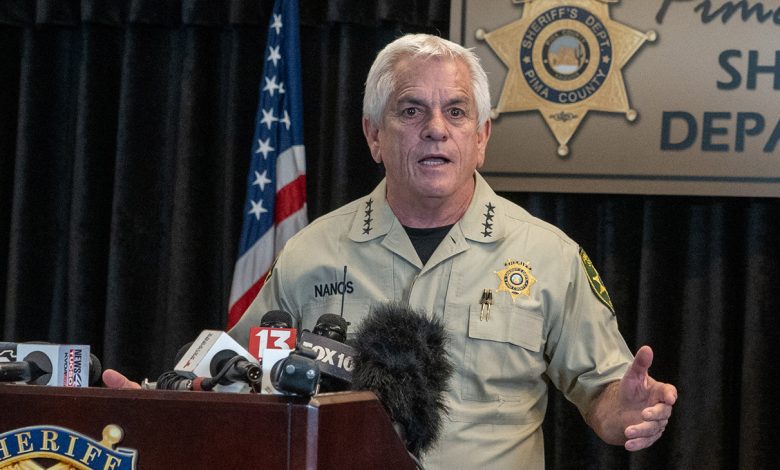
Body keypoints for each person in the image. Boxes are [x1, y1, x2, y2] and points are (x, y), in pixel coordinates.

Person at [105, 33, 676, 469]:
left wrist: (623, 413)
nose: (436, 129)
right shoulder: (312, 253)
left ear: (481, 138)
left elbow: (603, 396)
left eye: (456, 111)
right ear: (374, 136)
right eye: (411, 111)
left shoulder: (549, 256)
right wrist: (161, 405)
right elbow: (237, 384)